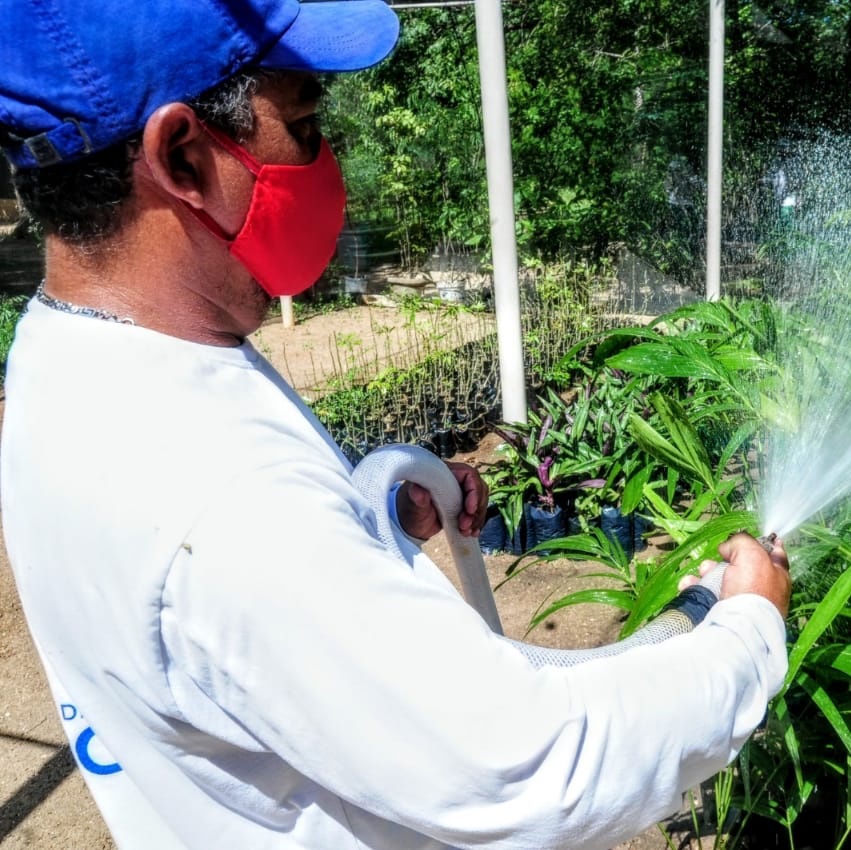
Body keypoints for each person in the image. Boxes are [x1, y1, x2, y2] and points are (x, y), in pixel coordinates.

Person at [0, 2, 792, 849]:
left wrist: (360, 526)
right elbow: (539, 771)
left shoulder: (65, 362)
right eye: (303, 124)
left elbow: (216, 644)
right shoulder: (229, 504)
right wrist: (745, 629)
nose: (326, 162)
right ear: (182, 155)